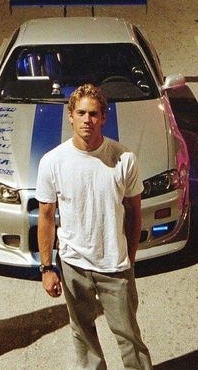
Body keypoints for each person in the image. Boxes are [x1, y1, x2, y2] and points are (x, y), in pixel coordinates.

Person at [36, 84, 153, 369]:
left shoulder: (123, 159)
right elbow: (47, 217)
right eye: (81, 113)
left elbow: (134, 212)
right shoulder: (52, 162)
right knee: (83, 334)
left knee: (129, 337)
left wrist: (130, 258)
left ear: (103, 117)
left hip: (114, 265)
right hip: (73, 264)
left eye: (94, 113)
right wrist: (47, 267)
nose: (87, 119)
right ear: (70, 116)